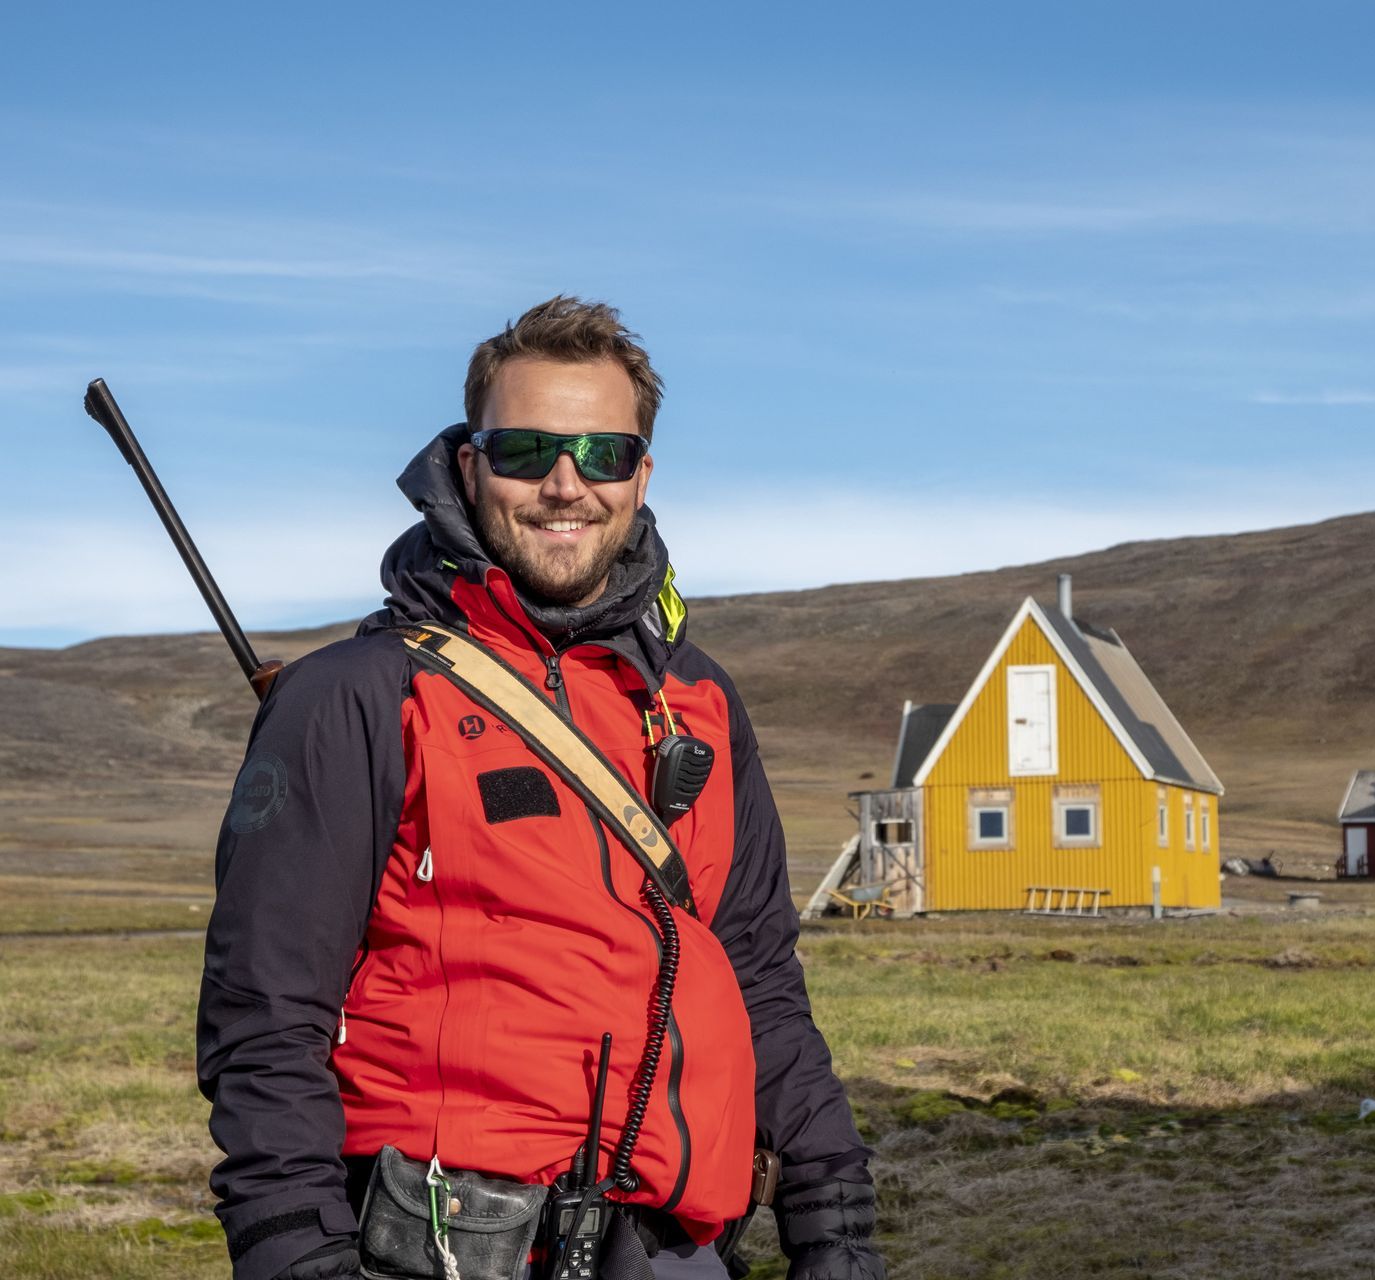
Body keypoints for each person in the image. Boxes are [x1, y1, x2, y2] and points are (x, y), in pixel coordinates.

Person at [197, 297, 885, 1280]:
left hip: (678, 1253)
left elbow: (760, 981)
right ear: (470, 465)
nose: (567, 484)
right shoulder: (359, 696)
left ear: (642, 474)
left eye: (603, 454)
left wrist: (837, 1218)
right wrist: (296, 1252)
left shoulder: (699, 702)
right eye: (526, 449)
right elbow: (265, 1013)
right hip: (438, 1246)